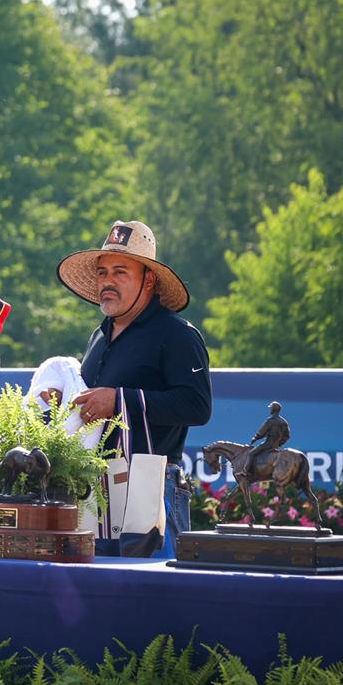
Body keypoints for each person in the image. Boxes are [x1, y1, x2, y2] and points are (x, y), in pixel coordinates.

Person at [57, 220, 212, 558]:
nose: (107, 282)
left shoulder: (177, 334)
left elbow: (197, 405)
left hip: (154, 488)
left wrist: (118, 399)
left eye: (120, 272)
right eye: (102, 273)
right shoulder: (98, 336)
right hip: (95, 490)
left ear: (149, 279)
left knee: (159, 601)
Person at [243, 401, 290, 481]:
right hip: (276, 445)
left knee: (251, 453)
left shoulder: (270, 420)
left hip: (267, 444)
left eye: (271, 408)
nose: (270, 410)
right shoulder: (284, 422)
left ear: (273, 409)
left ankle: (245, 472)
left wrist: (254, 439)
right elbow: (287, 436)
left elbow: (261, 432)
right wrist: (279, 444)